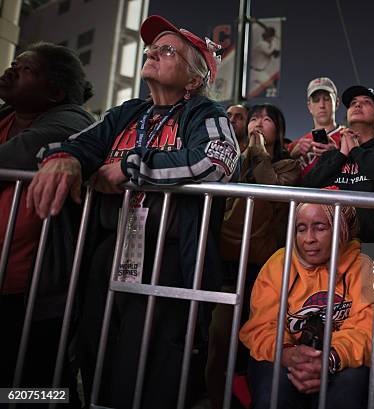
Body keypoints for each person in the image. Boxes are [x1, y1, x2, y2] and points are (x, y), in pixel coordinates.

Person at [26, 15, 239, 408]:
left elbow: (215, 161)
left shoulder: (207, 114)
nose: (153, 53)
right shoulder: (126, 113)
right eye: (151, 48)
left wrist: (130, 169)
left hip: (169, 255)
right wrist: (66, 159)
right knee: (93, 349)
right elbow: (76, 143)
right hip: (111, 248)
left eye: (167, 49)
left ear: (194, 79)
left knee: (151, 364)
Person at [0, 41, 94, 389]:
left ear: (54, 91)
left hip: (32, 290)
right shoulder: (6, 114)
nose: (10, 70)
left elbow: (12, 158)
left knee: (35, 386)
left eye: (25, 69)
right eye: (13, 63)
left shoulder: (72, 121)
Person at [239, 202, 374, 409]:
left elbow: (370, 331)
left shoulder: (366, 268)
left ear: (341, 229)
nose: (309, 239)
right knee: (273, 392)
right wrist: (287, 354)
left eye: (320, 228)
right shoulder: (278, 264)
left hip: (339, 358)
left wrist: (329, 360)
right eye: (301, 229)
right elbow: (261, 326)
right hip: (286, 355)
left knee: (348, 389)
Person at [206, 104, 299, 409]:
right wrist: (248, 153)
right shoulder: (233, 157)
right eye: (254, 118)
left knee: (256, 338)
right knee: (219, 339)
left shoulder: (288, 165)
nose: (258, 123)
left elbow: (270, 188)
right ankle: (217, 398)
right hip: (227, 256)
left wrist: (259, 153)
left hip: (263, 263)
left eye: (267, 119)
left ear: (279, 129)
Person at [302, 85, 374, 243]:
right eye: (353, 103)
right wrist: (341, 155)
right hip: (336, 249)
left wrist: (357, 151)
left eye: (366, 102)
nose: (357, 105)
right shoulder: (334, 155)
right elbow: (308, 187)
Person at [288, 77, 343, 178]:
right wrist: (291, 156)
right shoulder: (294, 146)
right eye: (316, 100)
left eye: (326, 99)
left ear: (337, 103)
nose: (321, 105)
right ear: (309, 106)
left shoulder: (350, 138)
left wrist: (337, 155)